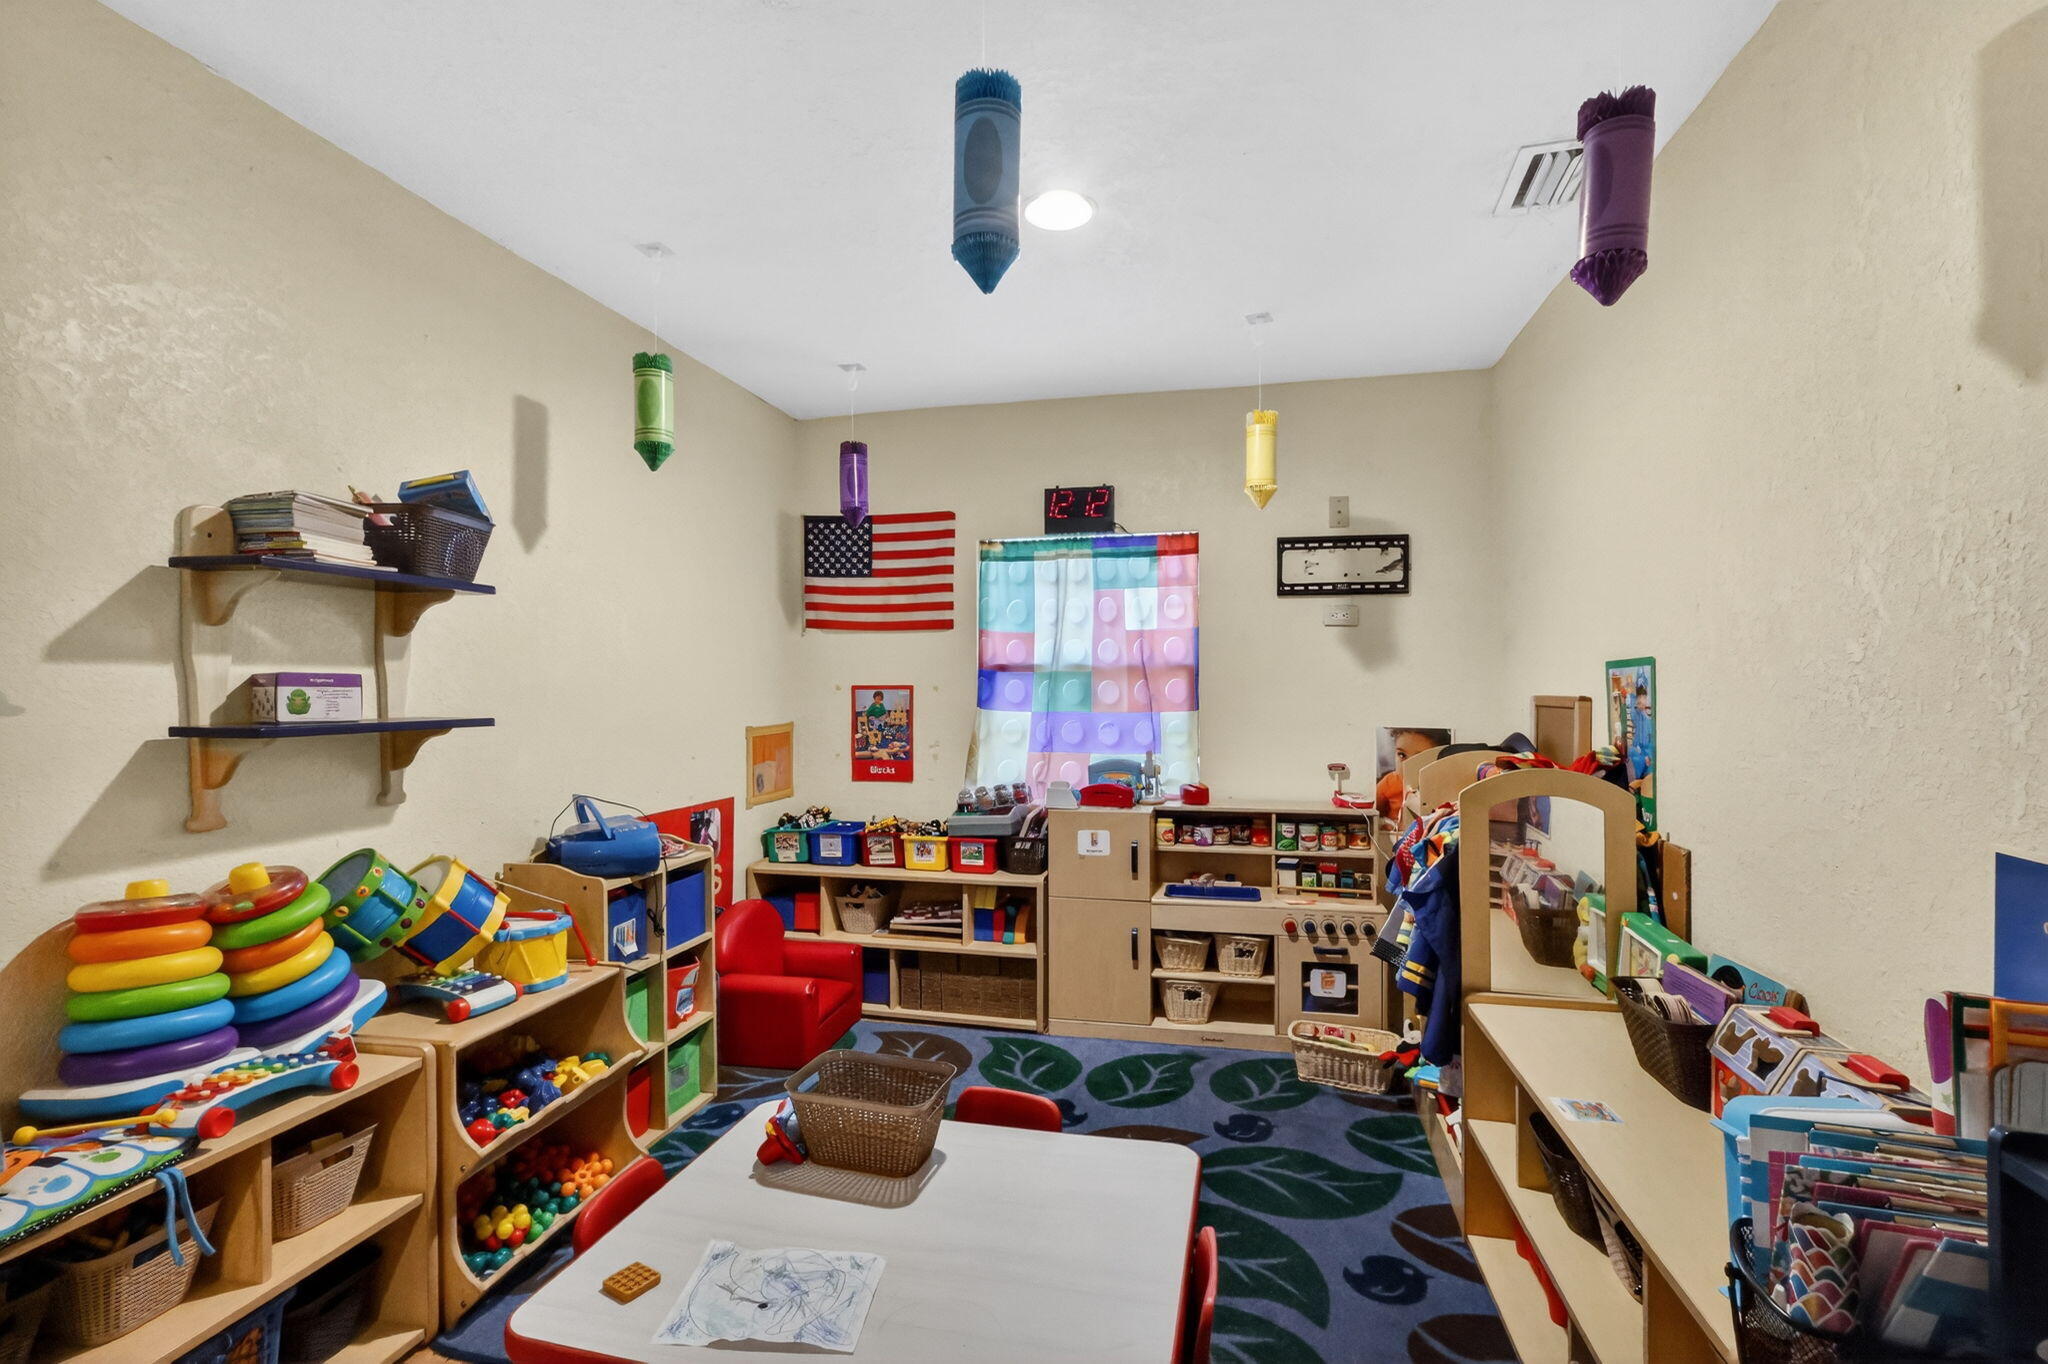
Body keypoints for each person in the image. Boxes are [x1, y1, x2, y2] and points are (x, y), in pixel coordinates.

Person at [1375, 727, 1452, 823]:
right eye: (1402, 755)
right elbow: (1371, 814)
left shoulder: (1445, 787)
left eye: (1419, 758)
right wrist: (1385, 823)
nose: (1407, 764)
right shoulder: (1390, 782)